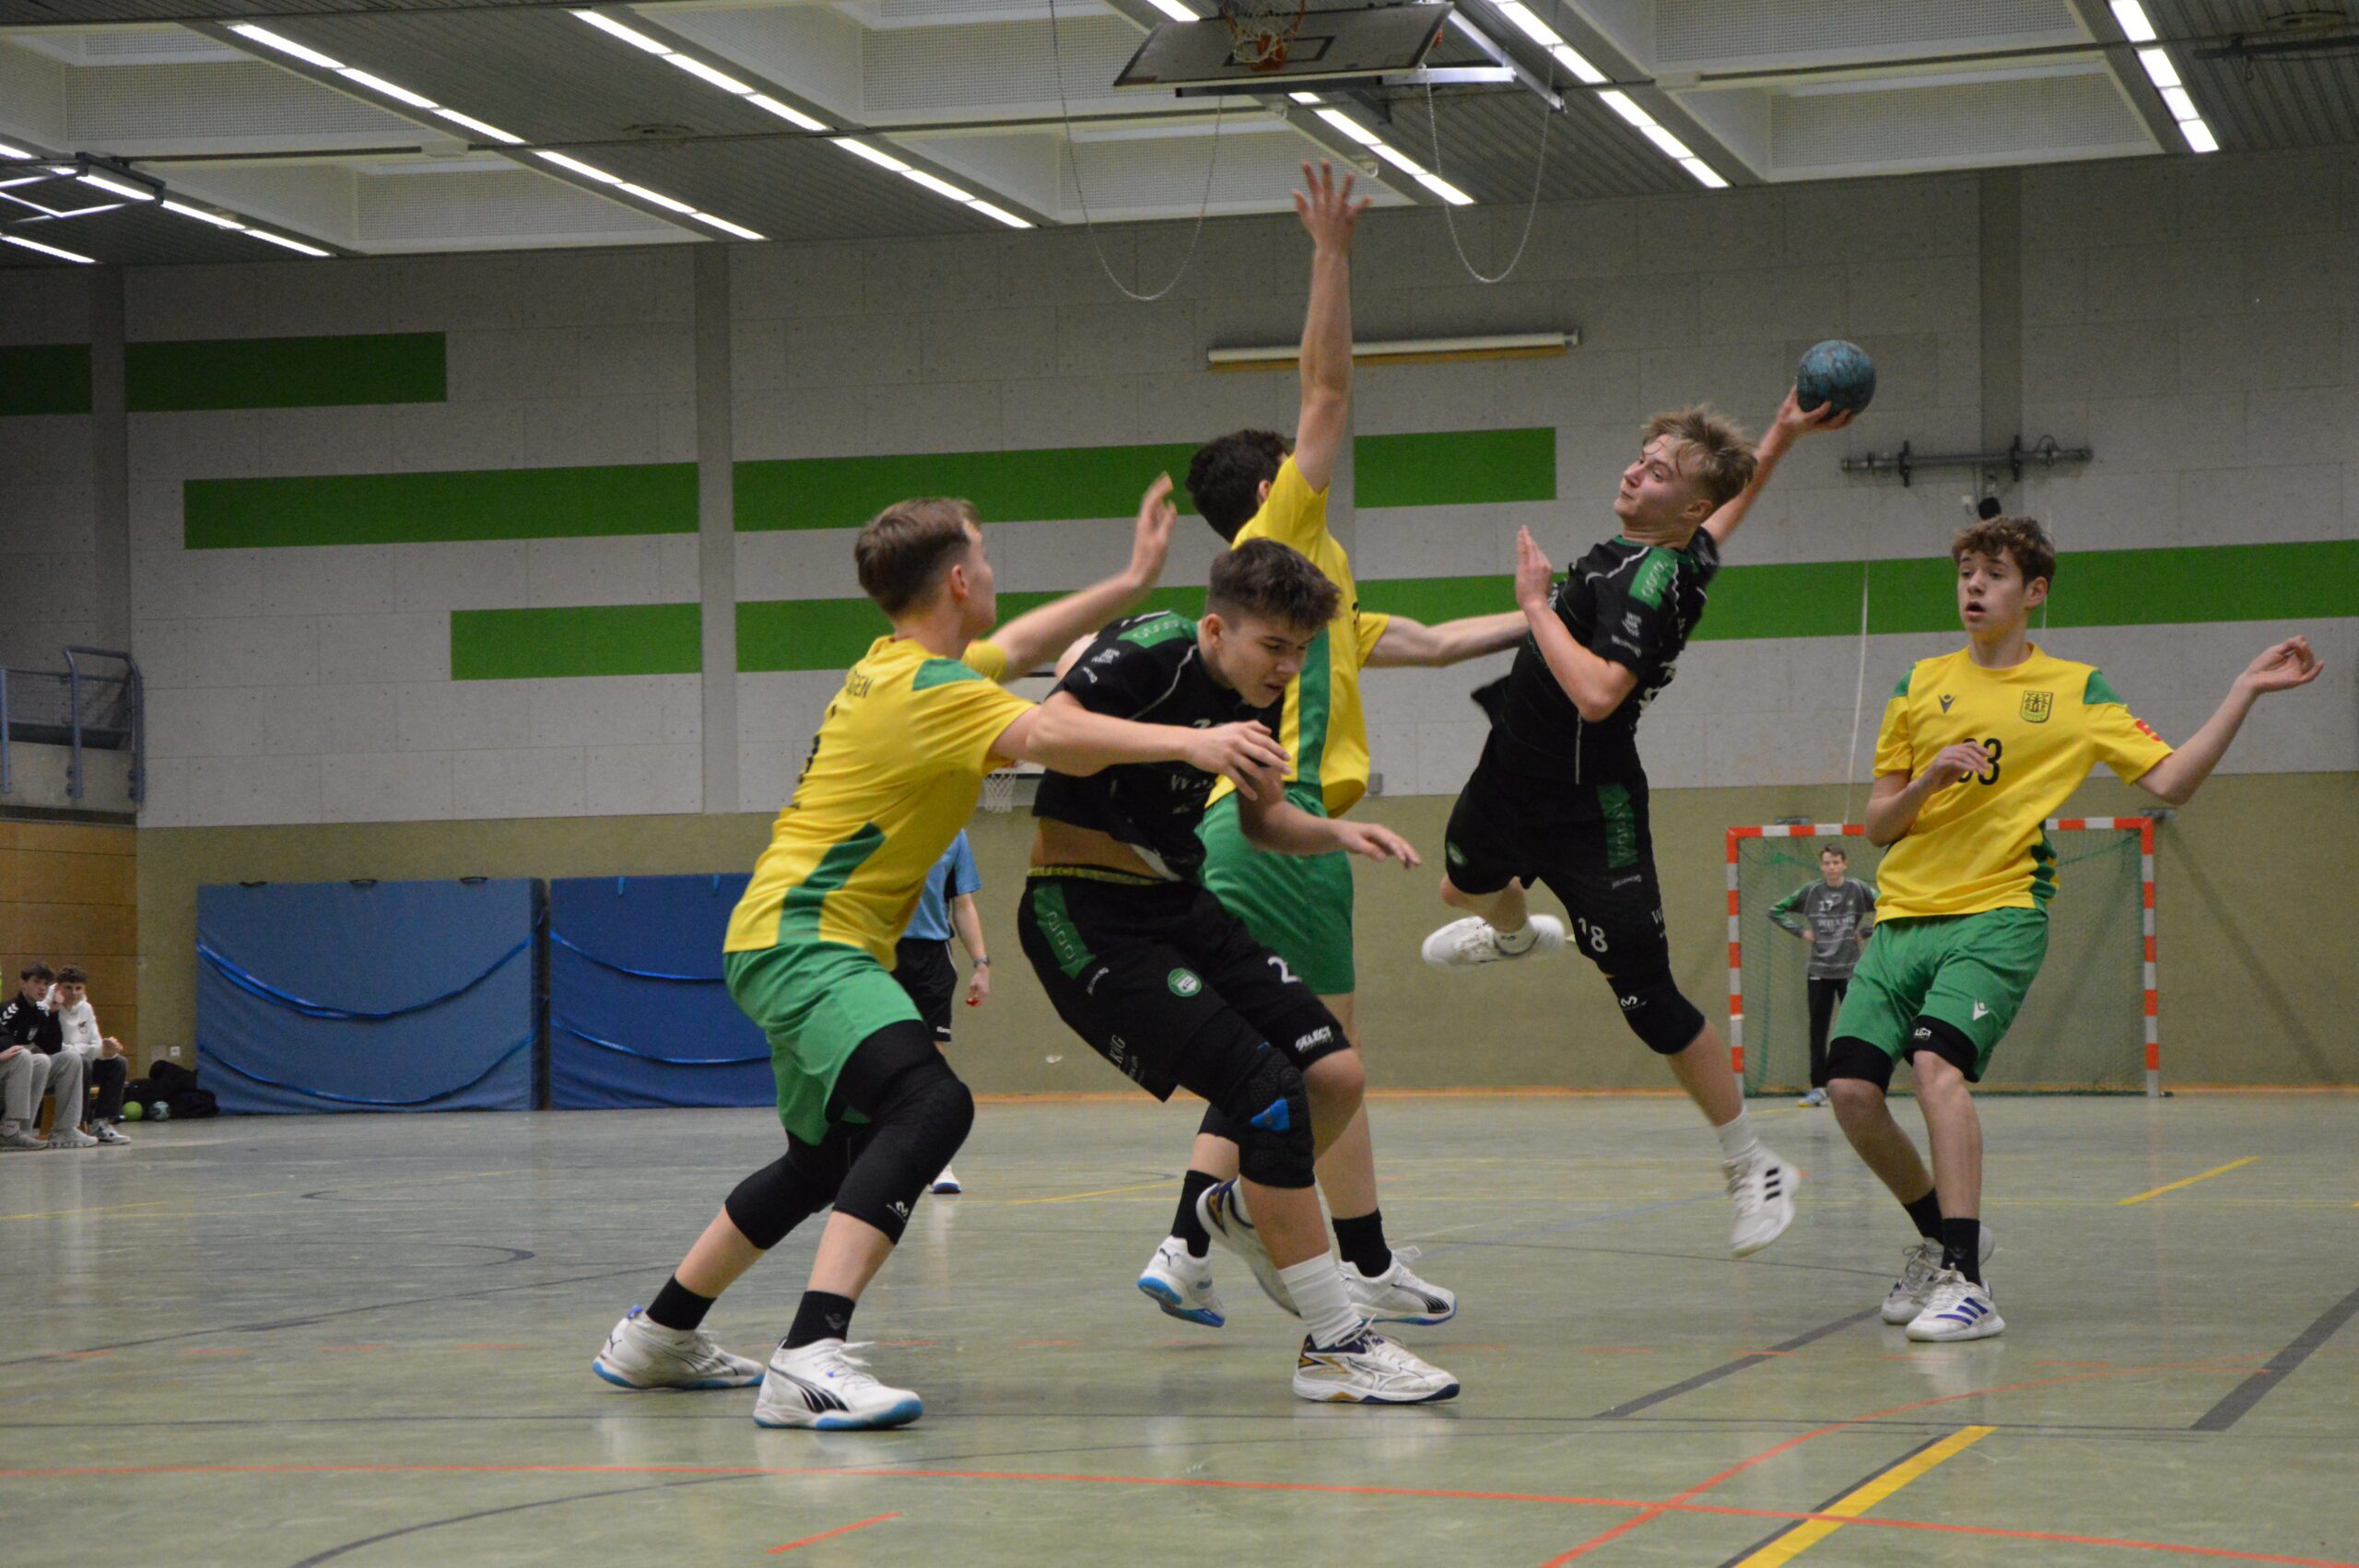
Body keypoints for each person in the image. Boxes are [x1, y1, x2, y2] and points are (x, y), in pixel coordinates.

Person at [593, 475, 1292, 1430]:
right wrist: (1192, 743)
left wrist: (1130, 581)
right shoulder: (937, 692)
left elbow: (1026, 646)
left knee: (823, 1161)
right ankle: (810, 1355)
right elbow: (1058, 735)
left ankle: (658, 1332)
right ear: (961, 578)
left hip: (783, 934)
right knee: (931, 1103)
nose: (995, 575)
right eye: (987, 558)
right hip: (809, 939)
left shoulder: (900, 668)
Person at [1139, 160, 1526, 1332]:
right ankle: (1192, 1237)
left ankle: (1352, 1257)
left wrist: (1557, 613)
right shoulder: (1283, 527)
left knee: (1321, 1050)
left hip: (1287, 831)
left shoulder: (1312, 603)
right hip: (1276, 822)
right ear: (1270, 489)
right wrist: (1331, 253)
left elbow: (1437, 643)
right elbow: (1325, 392)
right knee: (1308, 1053)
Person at [1828, 515, 2321, 1342]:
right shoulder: (1919, 683)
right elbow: (1878, 824)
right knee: (1849, 1091)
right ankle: (1940, 1237)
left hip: (1999, 912)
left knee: (1935, 1065)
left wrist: (2242, 691)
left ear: (2034, 592)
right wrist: (1928, 781)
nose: (1974, 586)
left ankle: (1969, 1286)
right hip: (1904, 913)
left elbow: (2172, 781)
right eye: (1965, 573)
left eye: (1993, 574)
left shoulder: (2075, 691)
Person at [1019, 540, 1457, 1404]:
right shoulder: (1153, 649)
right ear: (1217, 629)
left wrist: (1336, 832)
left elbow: (1262, 823)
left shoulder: (1257, 700)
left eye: (1301, 651)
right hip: (1085, 912)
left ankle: (1242, 1209)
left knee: (1335, 1073)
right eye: (1274, 647)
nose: (1288, 667)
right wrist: (1190, 744)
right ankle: (1335, 1343)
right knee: (1266, 1090)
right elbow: (1047, 733)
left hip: (1179, 907)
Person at [1420, 388, 1850, 1258]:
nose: (1633, 473)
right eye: (1641, 459)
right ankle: (1515, 937)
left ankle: (1753, 1164)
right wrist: (1781, 434)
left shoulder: (1646, 580)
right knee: (1461, 887)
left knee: (1649, 1003)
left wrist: (1535, 604)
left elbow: (1600, 693)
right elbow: (1723, 514)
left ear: (1683, 508)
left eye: (1657, 473)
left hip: (1592, 809)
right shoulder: (1677, 549)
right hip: (1511, 773)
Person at [892, 829, 988, 1194]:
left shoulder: (953, 832)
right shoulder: (878, 817)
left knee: (932, 1057)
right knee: (877, 1053)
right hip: (879, 950)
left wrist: (981, 964)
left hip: (932, 956)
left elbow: (963, 904)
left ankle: (937, 1160)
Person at [1769, 846, 1878, 1107]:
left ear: (1845, 864)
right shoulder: (1811, 892)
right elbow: (1775, 910)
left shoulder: (1858, 889)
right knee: (1818, 1030)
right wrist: (1801, 932)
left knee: (1854, 1028)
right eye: (1827, 863)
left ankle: (1856, 1083)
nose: (1832, 867)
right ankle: (1818, 1087)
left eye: (1836, 862)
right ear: (1821, 866)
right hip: (1819, 972)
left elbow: (1890, 906)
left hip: (1849, 971)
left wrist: (1865, 932)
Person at [1, 963, 90, 1151]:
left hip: (22, 1068)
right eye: (36, 982)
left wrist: (54, 1013)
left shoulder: (40, 1012)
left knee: (70, 1058)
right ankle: (12, 1130)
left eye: (46, 984)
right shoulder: (9, 1010)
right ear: (23, 984)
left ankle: (65, 1129)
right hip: (7, 1070)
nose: (42, 988)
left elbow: (52, 1047)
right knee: (31, 1058)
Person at [50, 965, 131, 1145]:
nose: (73, 993)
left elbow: (96, 1042)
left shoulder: (86, 1008)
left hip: (83, 1060)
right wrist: (93, 1051)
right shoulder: (49, 1007)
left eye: (78, 988)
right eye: (68, 988)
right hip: (59, 1067)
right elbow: (56, 1048)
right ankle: (77, 1125)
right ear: (58, 988)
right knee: (82, 1062)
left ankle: (101, 1124)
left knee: (118, 1062)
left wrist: (108, 1051)